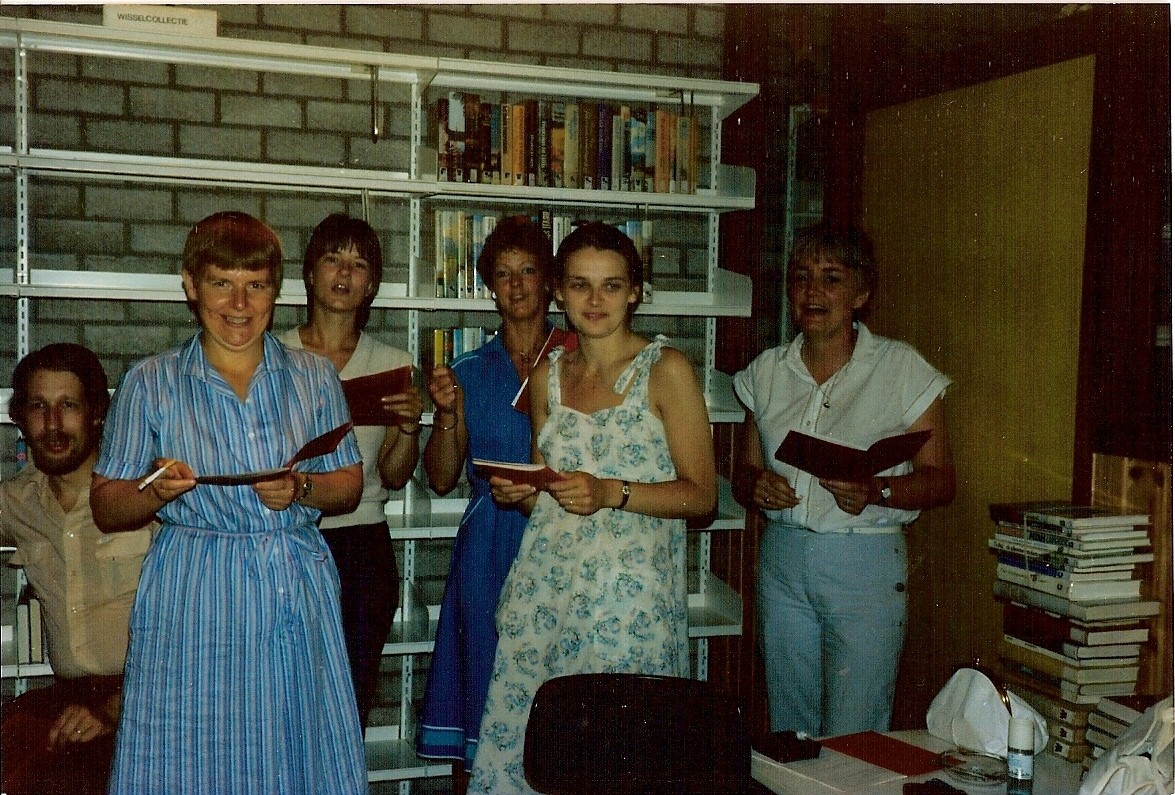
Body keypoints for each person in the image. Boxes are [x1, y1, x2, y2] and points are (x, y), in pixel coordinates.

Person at [89, 211, 369, 794]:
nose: (239, 305)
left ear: (276, 290)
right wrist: (152, 490)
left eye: (256, 286)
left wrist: (302, 489)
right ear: (190, 285)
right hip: (196, 595)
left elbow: (348, 485)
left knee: (293, 753)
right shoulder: (149, 382)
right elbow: (106, 505)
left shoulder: (315, 378)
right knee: (188, 753)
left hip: (292, 591)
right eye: (222, 283)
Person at [467, 222, 717, 795]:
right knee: (535, 758)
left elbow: (702, 495)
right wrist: (524, 493)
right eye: (580, 285)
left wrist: (612, 492)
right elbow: (549, 491)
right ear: (559, 291)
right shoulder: (547, 377)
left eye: (611, 285)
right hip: (545, 595)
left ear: (635, 292)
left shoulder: (666, 369)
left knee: (614, 763)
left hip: (627, 605)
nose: (595, 300)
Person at [732, 224, 955, 737]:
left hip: (864, 563)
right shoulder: (767, 371)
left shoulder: (901, 368)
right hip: (783, 562)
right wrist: (756, 485)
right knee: (789, 725)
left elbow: (941, 480)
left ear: (861, 293)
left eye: (831, 278)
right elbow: (744, 473)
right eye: (801, 278)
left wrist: (878, 490)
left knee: (855, 729)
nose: (813, 292)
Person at [415, 215, 557, 789]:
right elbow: (441, 478)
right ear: (489, 288)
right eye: (503, 274)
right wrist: (448, 414)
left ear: (549, 282)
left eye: (528, 271)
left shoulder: (580, 363)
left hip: (561, 539)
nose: (517, 285)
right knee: (484, 682)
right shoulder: (468, 370)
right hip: (490, 545)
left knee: (556, 690)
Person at [278, 213, 423, 731]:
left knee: (348, 703)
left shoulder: (392, 361)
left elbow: (395, 476)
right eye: (332, 259)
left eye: (359, 264)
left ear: (373, 285)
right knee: (282, 698)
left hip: (362, 547)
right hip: (285, 539)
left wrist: (409, 427)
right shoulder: (273, 353)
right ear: (309, 272)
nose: (344, 273)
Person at [0, 344, 155, 795]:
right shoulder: (17, 501)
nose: (52, 425)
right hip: (71, 700)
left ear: (97, 414)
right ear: (20, 418)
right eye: (38, 407)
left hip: (148, 697)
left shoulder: (141, 497)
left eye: (68, 405)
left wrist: (112, 710)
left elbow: (197, 631)